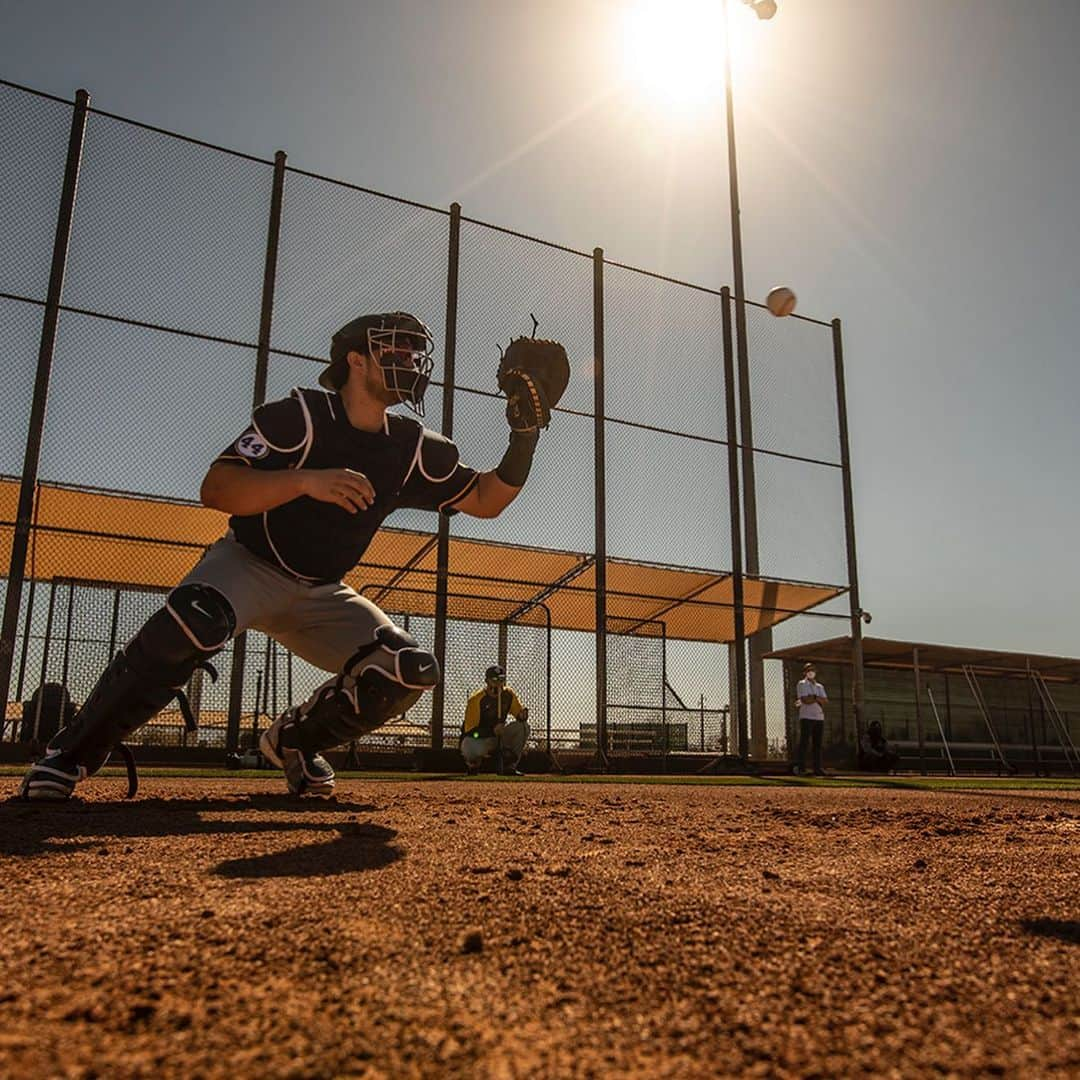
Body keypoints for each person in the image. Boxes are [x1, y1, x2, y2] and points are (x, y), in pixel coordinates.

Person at [21, 311, 553, 800]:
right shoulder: (299, 416)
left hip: (323, 590)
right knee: (193, 622)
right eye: (395, 351)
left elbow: (487, 500)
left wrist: (524, 436)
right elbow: (218, 487)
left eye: (415, 354)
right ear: (355, 359)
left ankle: (294, 742)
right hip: (249, 564)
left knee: (409, 670)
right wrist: (305, 481)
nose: (409, 363)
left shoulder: (412, 445)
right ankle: (70, 754)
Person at [461, 665, 530, 775]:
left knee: (523, 727)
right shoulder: (476, 700)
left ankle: (509, 766)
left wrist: (522, 716)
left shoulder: (508, 694)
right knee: (469, 744)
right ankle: (473, 765)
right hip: (481, 739)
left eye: (501, 680)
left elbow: (518, 713)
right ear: (487, 681)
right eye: (494, 680)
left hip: (500, 737)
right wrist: (492, 731)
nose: (498, 683)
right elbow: (470, 732)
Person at [793, 661, 828, 777]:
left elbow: (825, 701)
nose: (811, 672)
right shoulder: (802, 684)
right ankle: (801, 767)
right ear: (804, 672)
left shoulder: (819, 686)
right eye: (808, 670)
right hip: (806, 716)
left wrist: (814, 697)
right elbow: (805, 700)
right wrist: (817, 698)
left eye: (812, 670)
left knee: (817, 744)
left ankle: (817, 768)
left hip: (819, 717)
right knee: (804, 742)